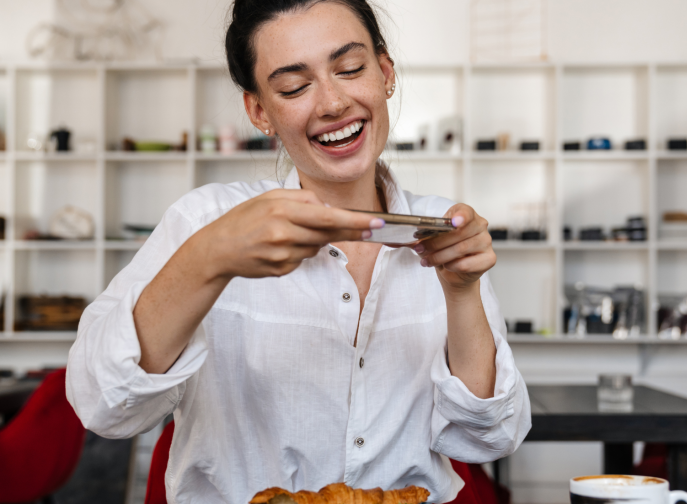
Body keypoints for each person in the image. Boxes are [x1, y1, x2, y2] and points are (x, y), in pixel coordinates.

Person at [65, 0, 531, 502]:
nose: (332, 102)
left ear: (385, 72)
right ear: (259, 110)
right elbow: (104, 406)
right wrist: (207, 260)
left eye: (350, 69)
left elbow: (490, 437)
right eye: (294, 86)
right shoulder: (205, 222)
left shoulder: (442, 230)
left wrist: (462, 292)